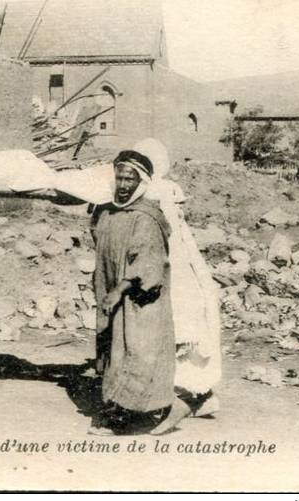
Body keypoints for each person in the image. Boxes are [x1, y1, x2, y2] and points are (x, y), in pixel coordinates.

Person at [89, 146, 190, 435]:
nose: (122, 185)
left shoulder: (146, 217)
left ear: (141, 183)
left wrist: (118, 289)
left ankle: (125, 419)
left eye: (129, 180)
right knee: (114, 355)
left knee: (138, 355)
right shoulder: (107, 212)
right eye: (119, 178)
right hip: (111, 298)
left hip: (140, 301)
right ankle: (166, 407)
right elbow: (100, 242)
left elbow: (147, 264)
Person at [134, 138, 222, 417]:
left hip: (170, 267)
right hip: (184, 265)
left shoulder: (151, 192)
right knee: (188, 331)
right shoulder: (167, 191)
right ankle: (200, 395)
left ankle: (173, 397)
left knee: (169, 329)